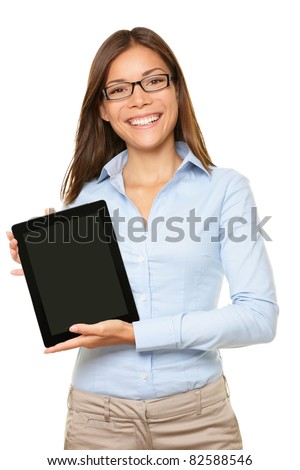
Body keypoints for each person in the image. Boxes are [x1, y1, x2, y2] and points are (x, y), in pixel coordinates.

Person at [7, 27, 279, 450]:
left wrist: (137, 333)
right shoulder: (84, 197)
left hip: (199, 420)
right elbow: (84, 317)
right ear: (103, 108)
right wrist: (52, 274)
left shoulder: (225, 189)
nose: (139, 99)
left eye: (153, 81)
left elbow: (259, 317)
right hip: (98, 421)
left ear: (176, 90)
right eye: (119, 89)